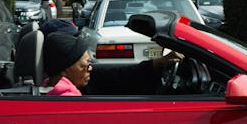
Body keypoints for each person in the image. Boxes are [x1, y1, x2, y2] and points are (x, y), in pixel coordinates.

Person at [40, 20, 182, 96]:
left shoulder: (54, 85)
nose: (90, 68)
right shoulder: (68, 100)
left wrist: (155, 64)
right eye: (85, 65)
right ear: (65, 70)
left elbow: (117, 75)